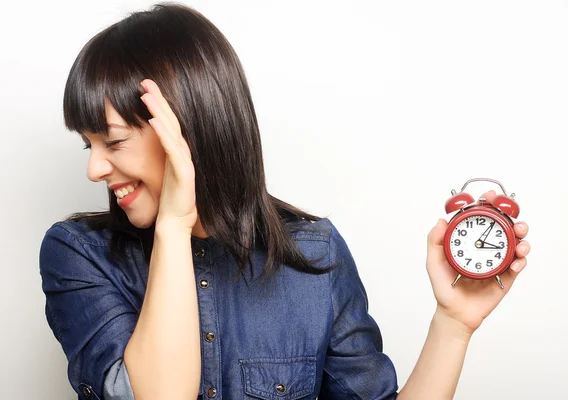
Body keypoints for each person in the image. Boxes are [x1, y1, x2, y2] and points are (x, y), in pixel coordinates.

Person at [39, 3, 531, 399]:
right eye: (89, 145)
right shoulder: (79, 254)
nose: (94, 170)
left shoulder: (316, 253)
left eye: (114, 141)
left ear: (185, 129)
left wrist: (453, 323)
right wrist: (172, 225)